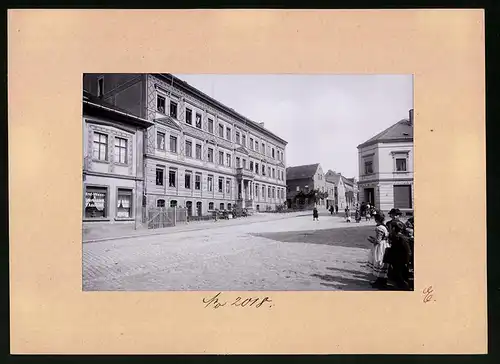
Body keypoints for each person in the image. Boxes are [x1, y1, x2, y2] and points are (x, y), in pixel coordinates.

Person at [367, 212, 390, 289]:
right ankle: (381, 281)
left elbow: (378, 241)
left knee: (378, 261)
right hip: (385, 244)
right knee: (382, 262)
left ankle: (380, 282)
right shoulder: (385, 226)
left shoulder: (379, 228)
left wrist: (370, 239)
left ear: (376, 219)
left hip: (380, 246)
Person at [387, 220, 412, 290]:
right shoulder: (395, 237)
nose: (389, 229)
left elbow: (408, 251)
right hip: (396, 260)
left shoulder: (401, 238)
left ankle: (404, 288)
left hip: (401, 260)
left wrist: (406, 261)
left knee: (400, 275)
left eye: (390, 227)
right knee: (396, 274)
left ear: (394, 229)